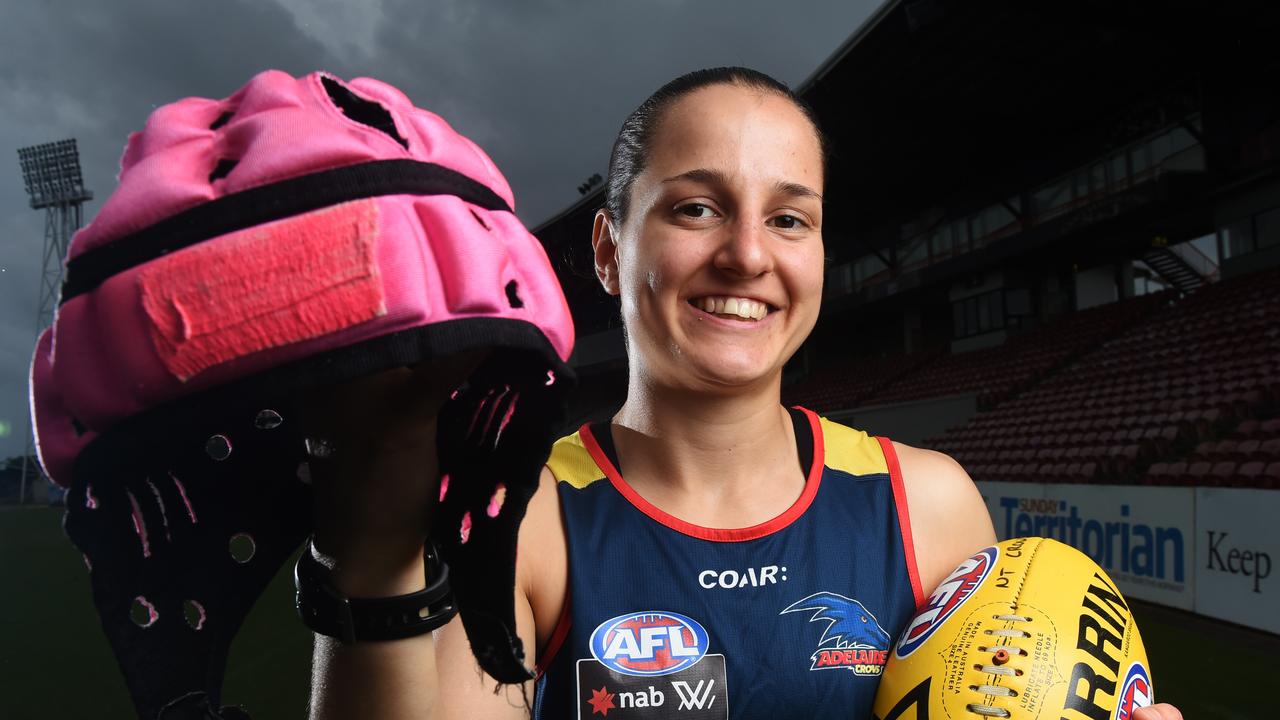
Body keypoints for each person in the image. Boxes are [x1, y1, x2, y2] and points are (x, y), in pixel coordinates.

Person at [304, 68, 1183, 719]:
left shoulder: (927, 504)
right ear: (608, 250)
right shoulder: (528, 518)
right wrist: (369, 568)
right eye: (696, 208)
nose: (749, 256)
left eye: (790, 218)